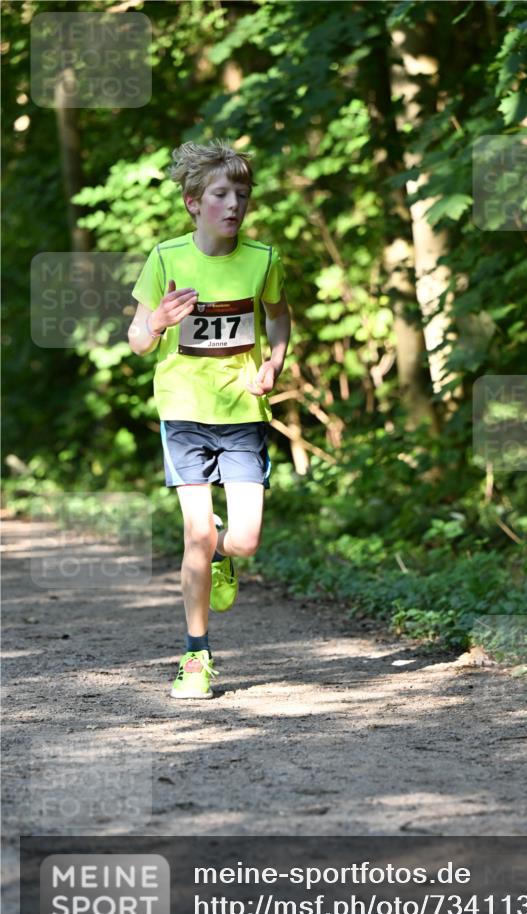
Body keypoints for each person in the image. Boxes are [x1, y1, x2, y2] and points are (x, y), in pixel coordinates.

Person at [127, 139, 290, 699]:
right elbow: (137, 342)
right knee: (197, 532)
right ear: (194, 202)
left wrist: (274, 361)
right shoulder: (167, 258)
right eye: (221, 194)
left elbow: (278, 314)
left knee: (241, 540)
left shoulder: (263, 259)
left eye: (241, 195)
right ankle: (195, 656)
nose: (233, 205)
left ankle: (225, 558)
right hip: (184, 412)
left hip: (243, 411)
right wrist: (158, 323)